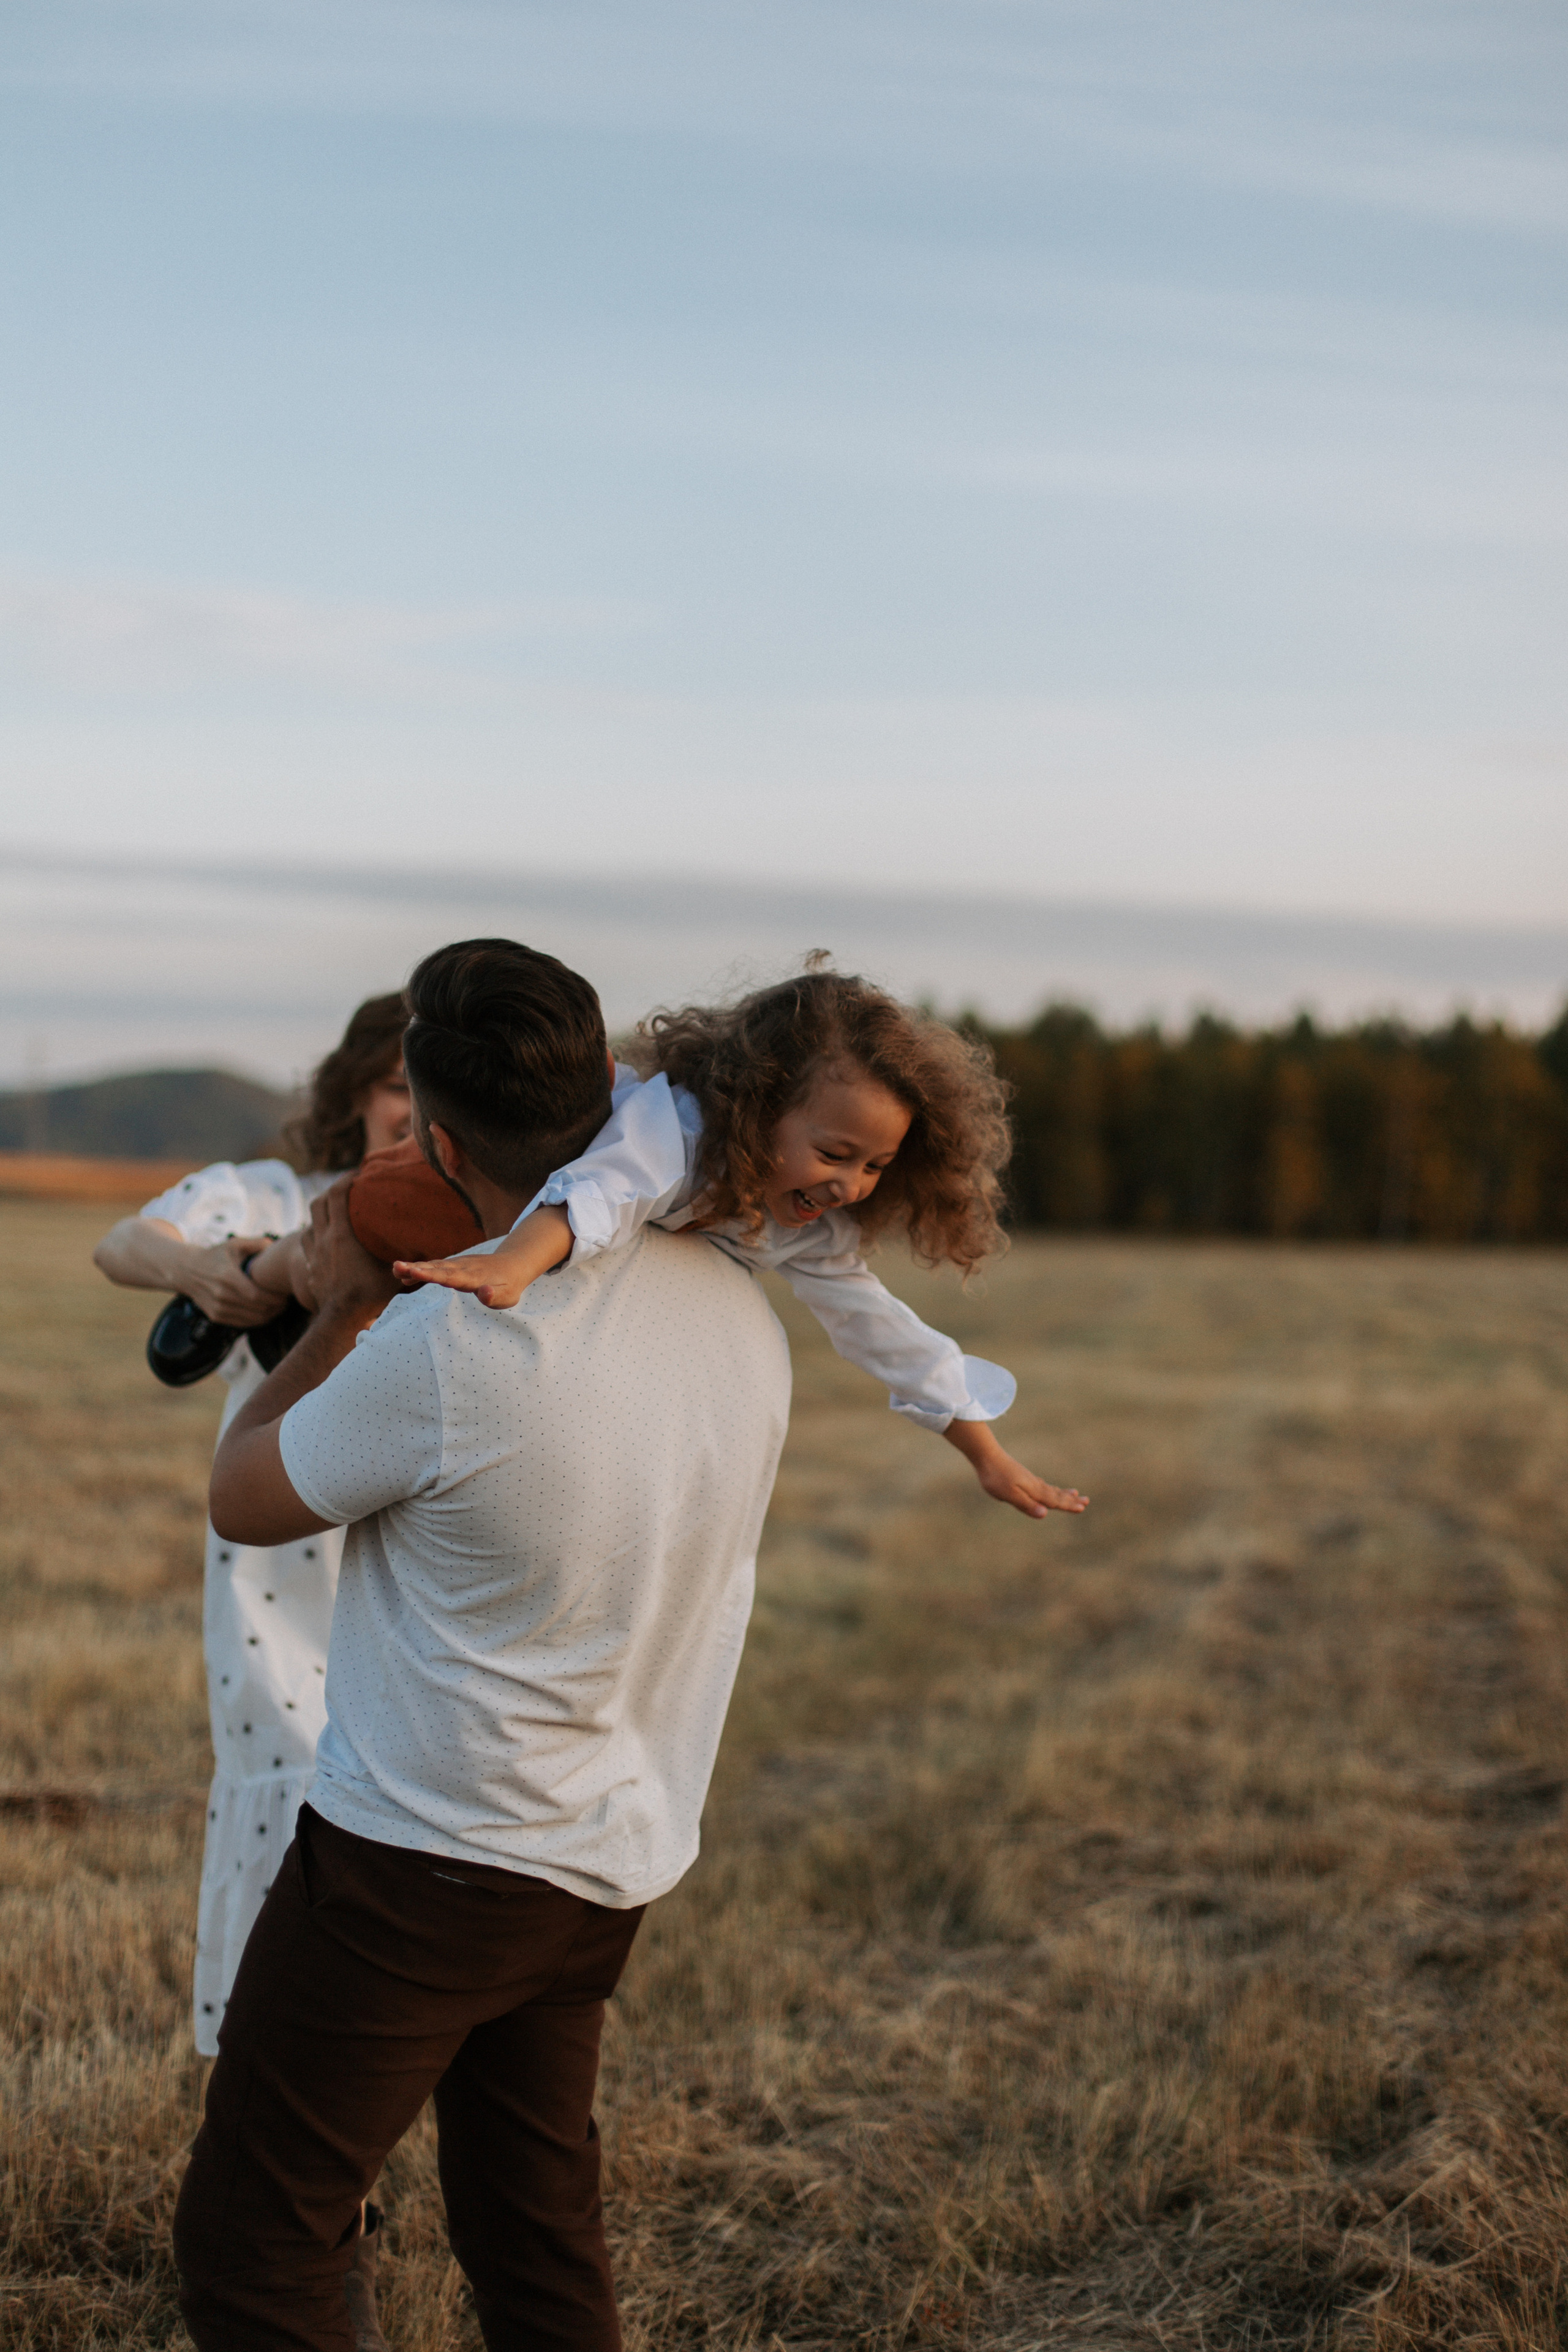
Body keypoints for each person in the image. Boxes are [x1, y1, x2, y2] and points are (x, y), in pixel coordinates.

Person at [172, 937, 794, 2352]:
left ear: (436, 1136)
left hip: (420, 1863)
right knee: (532, 2227)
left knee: (256, 2241)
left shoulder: (450, 1336)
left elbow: (246, 1498)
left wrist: (338, 1293)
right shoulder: (735, 1307)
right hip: (607, 1856)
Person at [396, 960, 1087, 1518]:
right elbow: (607, 1190)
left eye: (875, 1166)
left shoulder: (805, 1225)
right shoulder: (680, 1133)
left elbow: (881, 1330)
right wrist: (513, 1266)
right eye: (835, 1153)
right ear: (757, 1109)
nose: (850, 1185)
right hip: (489, 1187)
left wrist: (987, 1457)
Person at [92, 993, 412, 2059]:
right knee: (289, 1779)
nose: (412, 1114)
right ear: (357, 1093)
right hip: (281, 1563)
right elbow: (125, 1241)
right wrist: (192, 1268)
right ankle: (272, 2067)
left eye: (432, 1090)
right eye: (396, 1090)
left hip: (411, 1549)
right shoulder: (278, 1196)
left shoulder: (495, 1215)